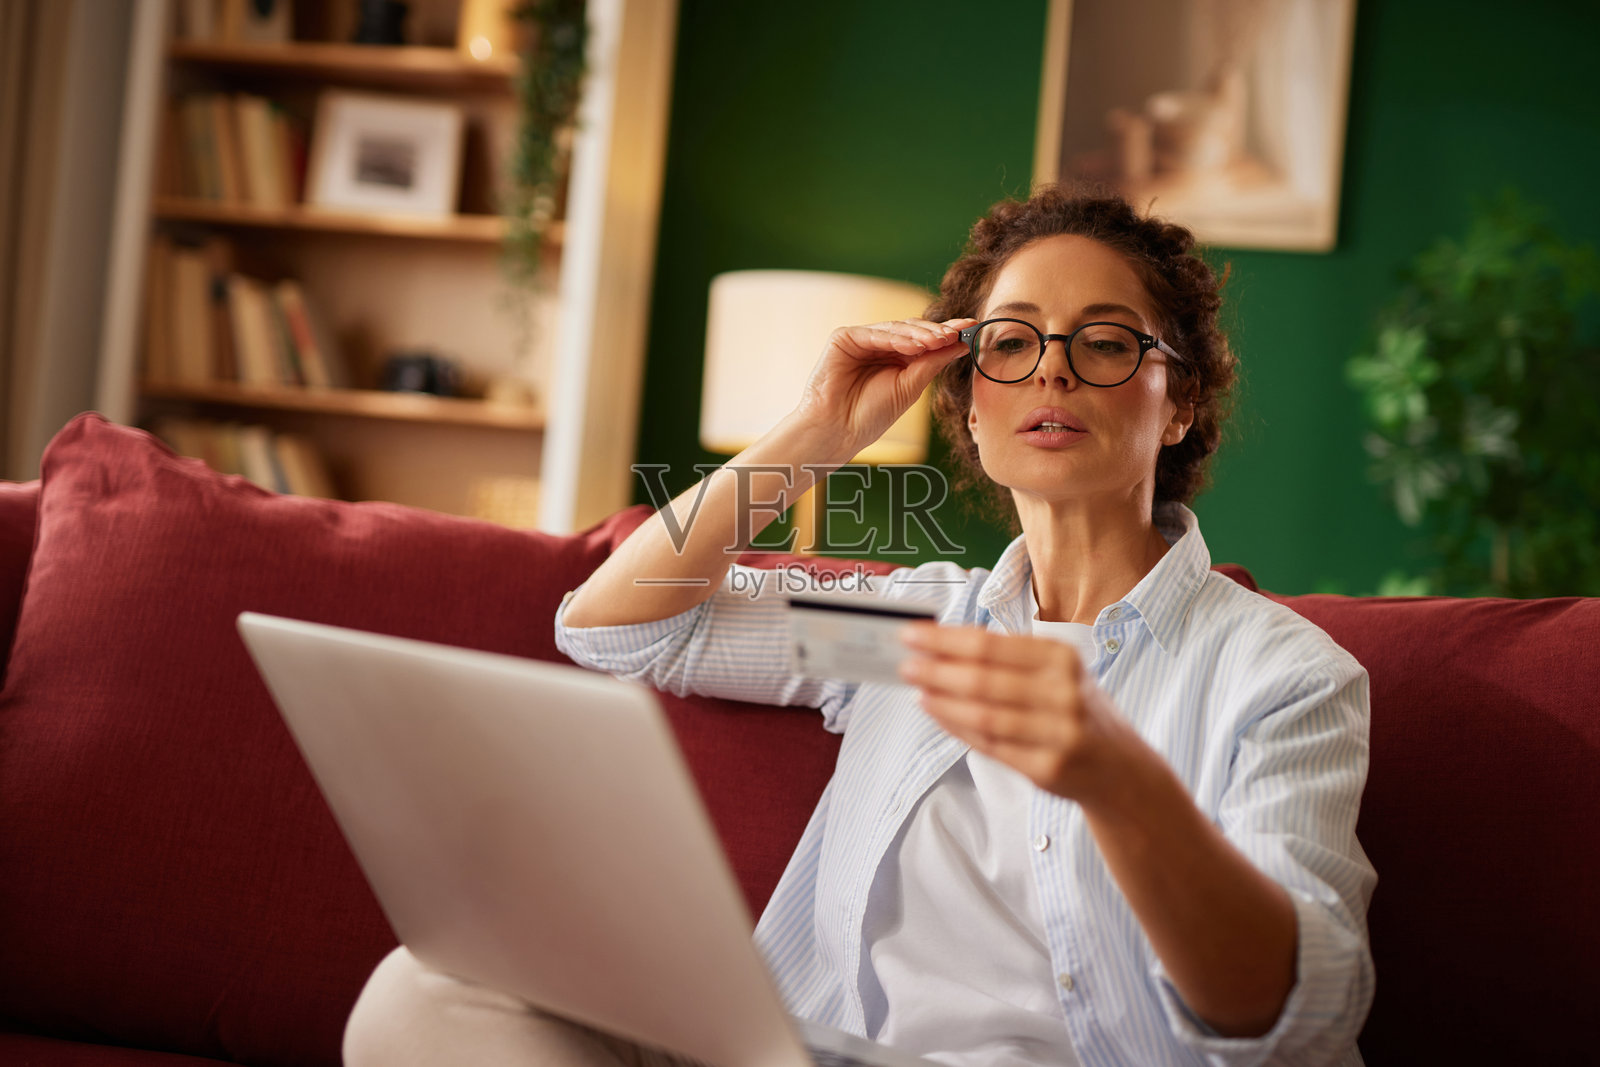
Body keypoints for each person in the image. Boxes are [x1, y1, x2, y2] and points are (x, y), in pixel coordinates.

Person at [344, 186, 1375, 1067]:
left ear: (1180, 397)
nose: (1052, 371)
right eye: (1009, 343)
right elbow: (621, 627)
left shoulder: (1277, 675)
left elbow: (1296, 1023)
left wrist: (1117, 777)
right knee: (427, 991)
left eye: (1104, 342)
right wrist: (816, 432)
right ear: (967, 401)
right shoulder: (908, 632)